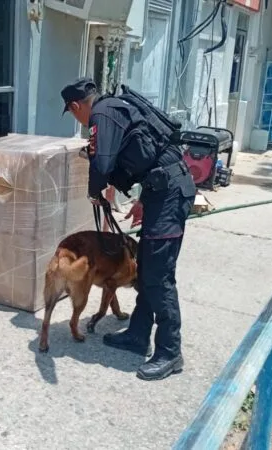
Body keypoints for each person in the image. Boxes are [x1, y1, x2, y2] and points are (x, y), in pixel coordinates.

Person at [61, 77, 195, 381]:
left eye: (73, 114)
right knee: (146, 269)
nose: (80, 122)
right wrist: (145, 200)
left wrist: (94, 191)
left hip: (170, 195)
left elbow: (103, 163)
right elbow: (146, 157)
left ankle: (170, 352)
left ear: (75, 106)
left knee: (158, 277)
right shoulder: (114, 109)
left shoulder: (101, 115)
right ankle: (137, 335)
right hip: (160, 191)